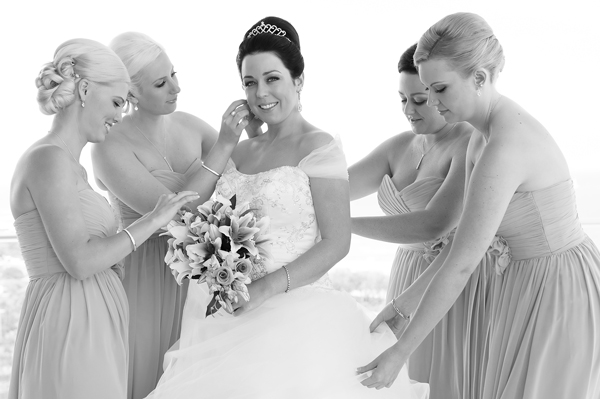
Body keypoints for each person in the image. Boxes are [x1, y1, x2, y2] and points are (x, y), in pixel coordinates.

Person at [145, 17, 428, 399]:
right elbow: (184, 210)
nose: (260, 93)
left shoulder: (320, 146)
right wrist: (226, 142)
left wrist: (265, 288)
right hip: (223, 320)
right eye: (249, 82)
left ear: (298, 80)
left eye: (272, 78)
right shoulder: (237, 150)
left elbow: (336, 242)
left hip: (295, 318)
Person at [358, 12, 600, 399]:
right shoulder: (479, 136)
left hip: (558, 288)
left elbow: (463, 262)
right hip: (521, 281)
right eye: (426, 91)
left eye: (440, 89)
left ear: (480, 78)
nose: (433, 104)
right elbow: (462, 242)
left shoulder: (504, 145)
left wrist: (401, 352)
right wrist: (404, 303)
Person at [8, 38, 198, 399]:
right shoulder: (48, 159)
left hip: (94, 320)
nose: (119, 114)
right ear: (83, 89)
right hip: (71, 323)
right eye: (116, 102)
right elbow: (79, 261)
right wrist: (154, 219)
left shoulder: (68, 164)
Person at [91, 32, 255, 399]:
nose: (176, 88)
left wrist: (258, 131)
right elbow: (175, 214)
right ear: (131, 93)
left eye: (174, 74)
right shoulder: (109, 147)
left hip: (206, 275)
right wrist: (226, 142)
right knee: (149, 375)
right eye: (161, 82)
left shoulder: (188, 123)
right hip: (146, 277)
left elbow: (247, 175)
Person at [348, 43, 480, 399]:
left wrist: (343, 228)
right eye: (402, 100)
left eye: (419, 100)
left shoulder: (470, 145)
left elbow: (432, 224)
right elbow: (333, 190)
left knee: (442, 381)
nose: (409, 110)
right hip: (403, 272)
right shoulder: (400, 145)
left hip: (443, 281)